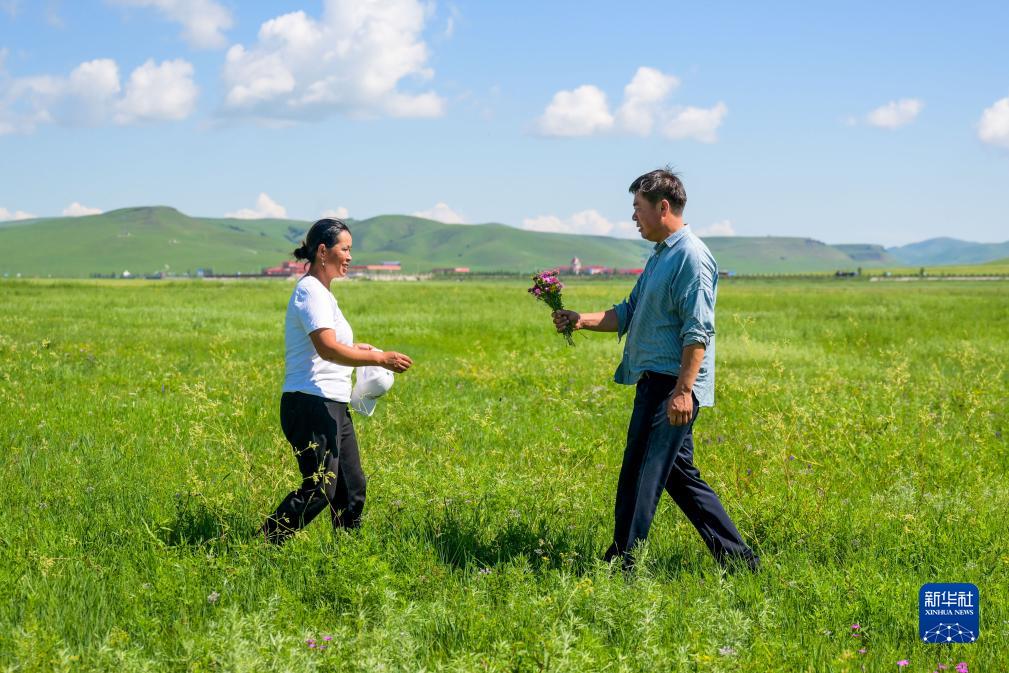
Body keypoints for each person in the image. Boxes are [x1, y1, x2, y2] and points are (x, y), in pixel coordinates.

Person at [552, 169, 758, 571]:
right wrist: (580, 319)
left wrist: (684, 391)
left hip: (672, 385)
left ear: (663, 207)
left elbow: (698, 331)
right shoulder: (662, 255)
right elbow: (628, 311)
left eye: (637, 208)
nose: (633, 217)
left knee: (641, 476)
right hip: (656, 381)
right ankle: (740, 562)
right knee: (679, 477)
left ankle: (624, 563)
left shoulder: (691, 258)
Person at [262, 218, 413, 544]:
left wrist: (359, 350)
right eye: (344, 249)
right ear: (322, 251)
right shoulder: (310, 291)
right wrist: (379, 359)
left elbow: (334, 345)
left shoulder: (325, 295)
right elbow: (327, 349)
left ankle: (348, 555)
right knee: (319, 488)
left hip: (332, 402)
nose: (348, 256)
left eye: (350, 250)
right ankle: (263, 544)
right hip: (310, 402)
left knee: (351, 487)